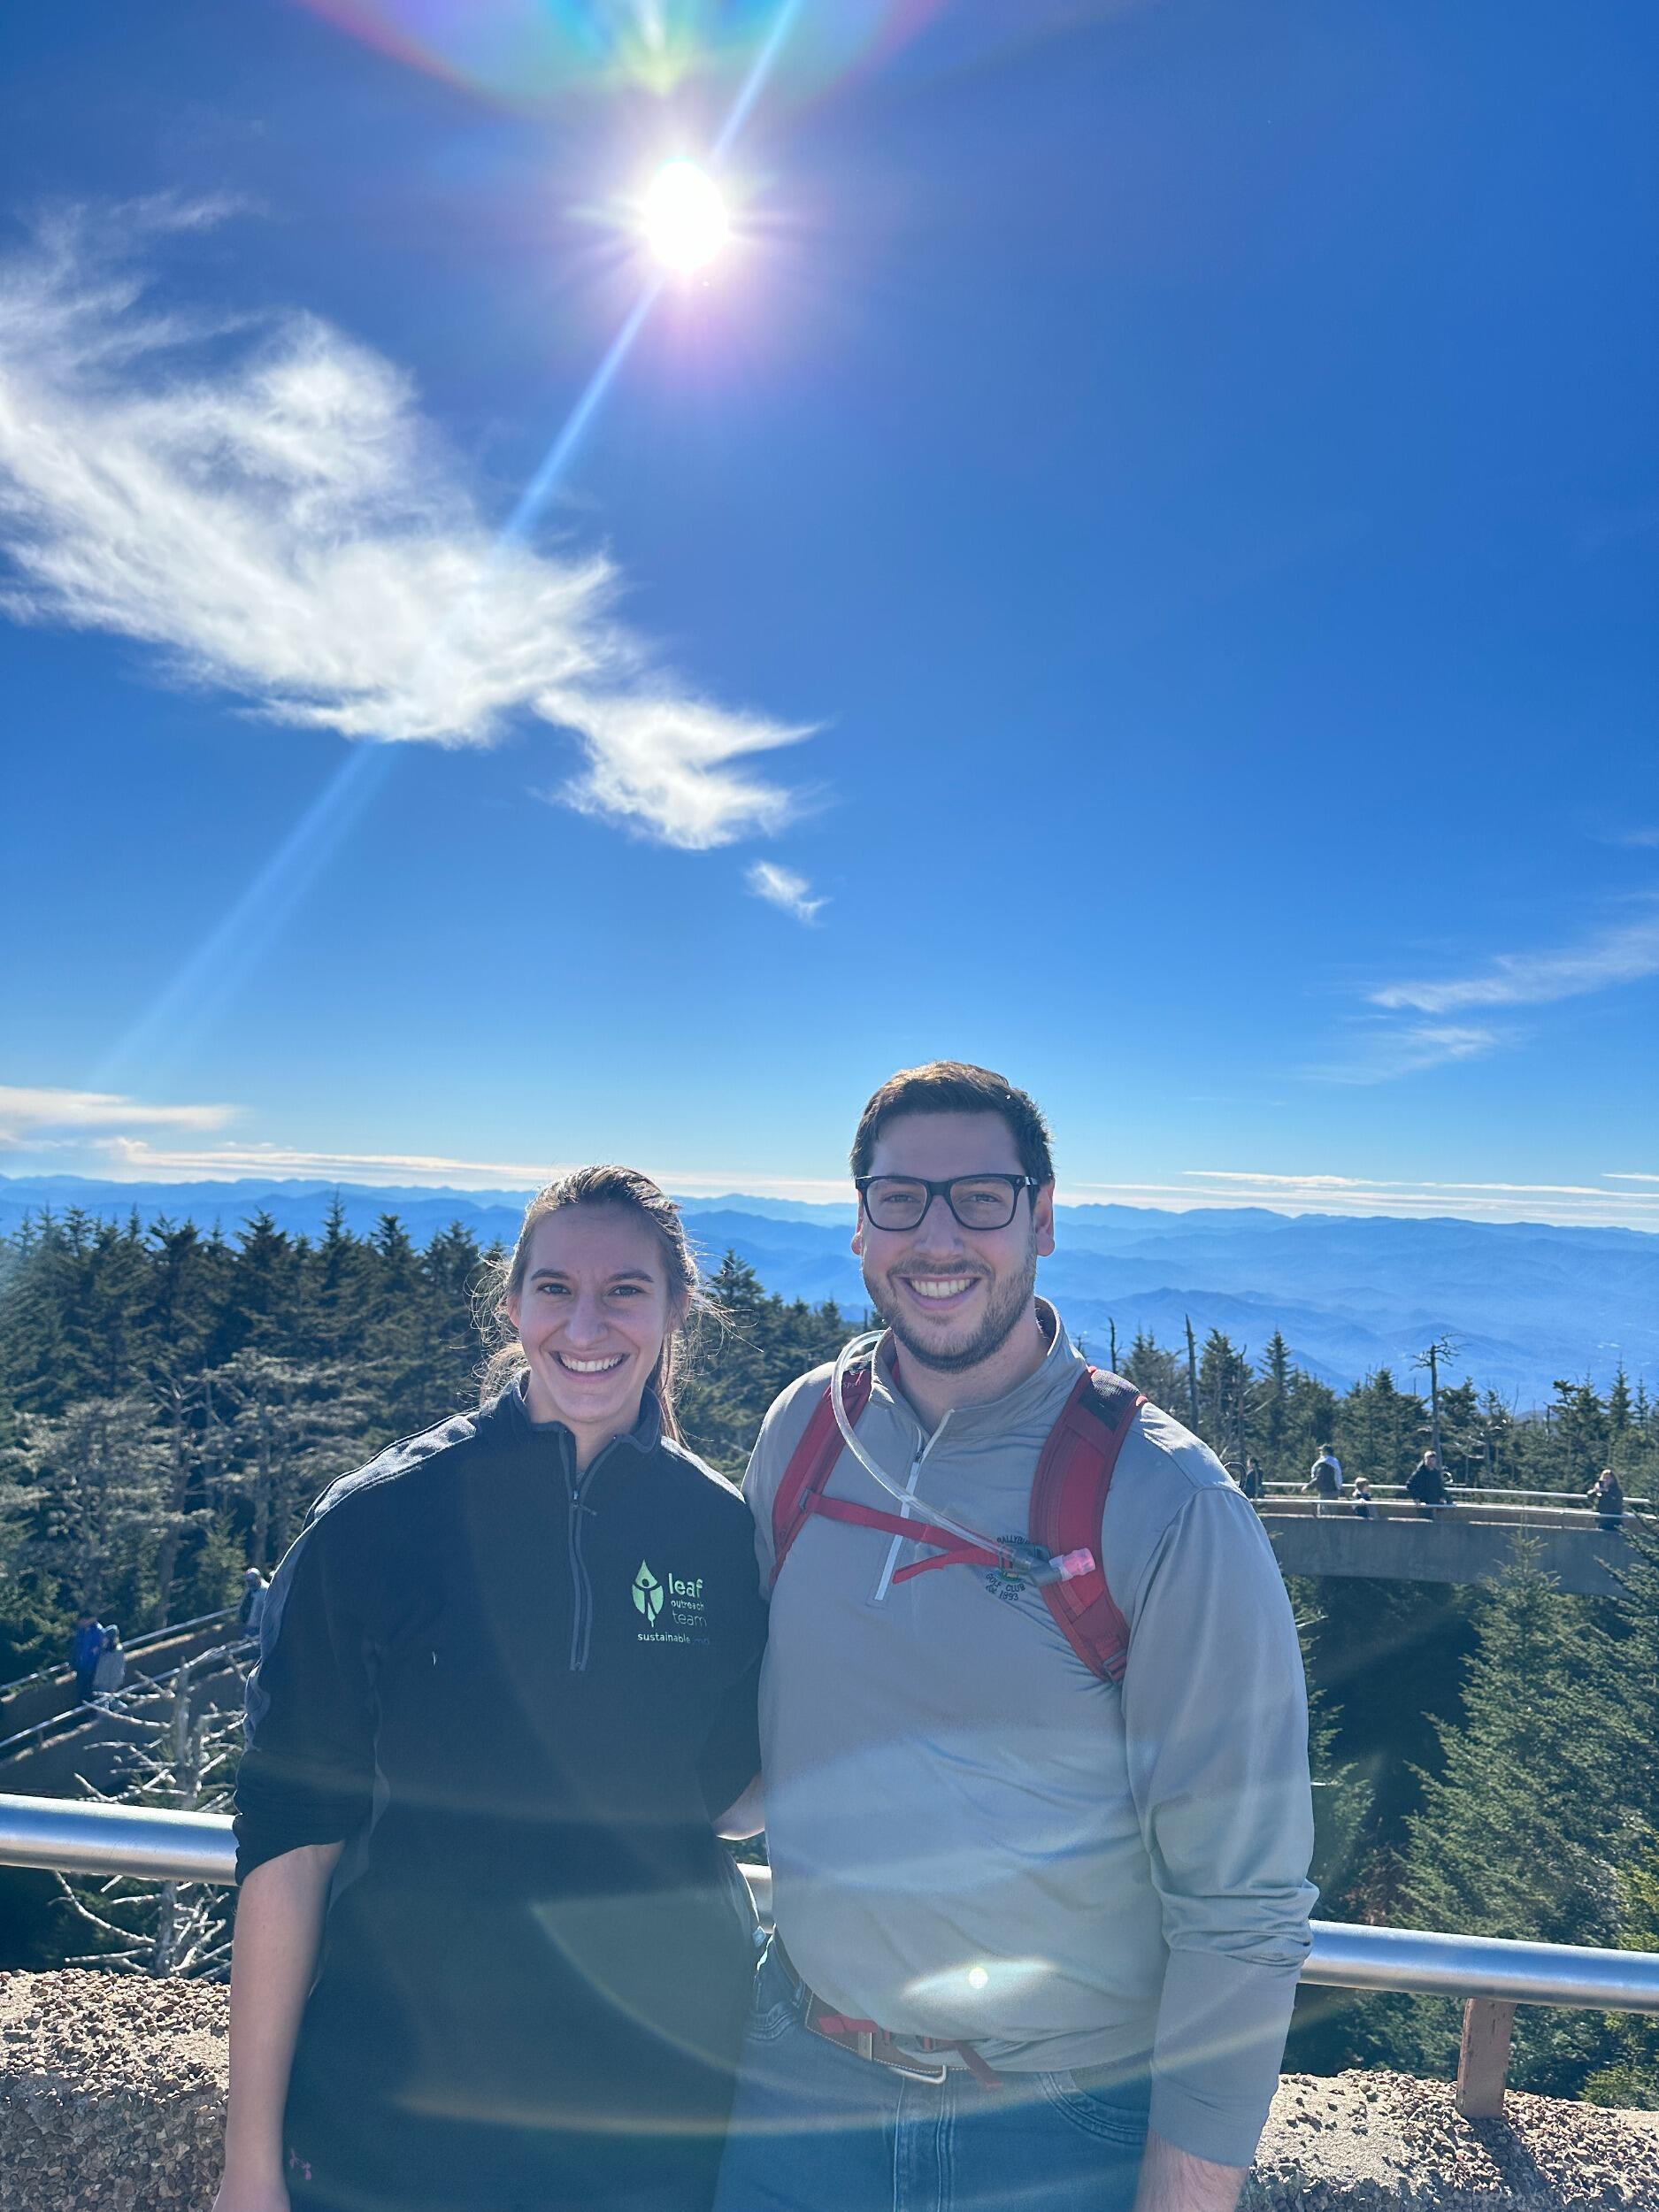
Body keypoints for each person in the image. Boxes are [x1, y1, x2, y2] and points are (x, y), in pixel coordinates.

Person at [716, 1064, 1315, 2212]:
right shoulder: (805, 1432)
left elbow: (1240, 1901)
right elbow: (757, 1741)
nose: (936, 1237)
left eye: (980, 1198)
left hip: (1054, 2127)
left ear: (1042, 1217)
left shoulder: (1163, 1500)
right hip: (798, 2085)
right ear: (858, 1224)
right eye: (900, 1198)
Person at [218, 1167, 768, 2212]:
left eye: (625, 1290)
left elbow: (726, 1796)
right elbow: (289, 1847)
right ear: (512, 1305)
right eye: (555, 1287)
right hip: (393, 2131)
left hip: (647, 2133)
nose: (586, 1324)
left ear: (676, 1308)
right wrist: (250, 2168)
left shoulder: (721, 1535)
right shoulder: (379, 1521)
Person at [69, 1612, 106, 1706]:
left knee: (89, 1690)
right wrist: (73, 1663)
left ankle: (89, 1708)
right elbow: (76, 1648)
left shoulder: (98, 1631)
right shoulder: (82, 1631)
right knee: (81, 1690)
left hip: (92, 1667)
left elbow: (98, 1650)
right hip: (81, 1667)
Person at [1406, 1450, 1450, 1518]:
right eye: (1428, 1460)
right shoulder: (1419, 1473)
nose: (1430, 1462)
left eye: (1433, 1460)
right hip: (1423, 1502)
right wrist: (1416, 1498)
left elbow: (1440, 1486)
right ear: (1425, 1460)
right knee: (1425, 1520)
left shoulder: (1436, 1473)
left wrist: (1442, 1497)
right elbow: (1409, 1484)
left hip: (1434, 1502)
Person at [91, 1624, 127, 1701]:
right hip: (98, 1683)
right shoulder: (103, 1650)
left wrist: (113, 1687)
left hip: (107, 1685)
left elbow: (117, 1670)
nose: (103, 1639)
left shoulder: (117, 1651)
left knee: (106, 1704)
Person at [1307, 1444, 1343, 1517]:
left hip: (1326, 1492)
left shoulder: (1324, 1463)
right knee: (1333, 1513)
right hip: (1335, 1490)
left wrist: (1308, 1487)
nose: (1320, 1452)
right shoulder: (1334, 1461)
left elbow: (1319, 1477)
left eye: (1322, 1451)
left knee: (1324, 1514)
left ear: (1326, 1452)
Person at [1587, 1468, 1625, 1533]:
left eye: (1608, 1478)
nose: (1605, 1480)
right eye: (1604, 1478)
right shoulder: (1600, 1490)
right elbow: (1590, 1497)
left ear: (1613, 1479)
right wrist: (1595, 1491)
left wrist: (1606, 1491)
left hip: (1613, 1519)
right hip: (1601, 1519)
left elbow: (1614, 1502)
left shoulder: (1616, 1490)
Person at [236, 1569, 269, 1642]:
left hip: (261, 1627)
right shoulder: (250, 1591)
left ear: (258, 1578)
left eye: (251, 1581)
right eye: (248, 1581)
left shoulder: (266, 1591)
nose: (249, 1583)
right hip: (249, 1626)